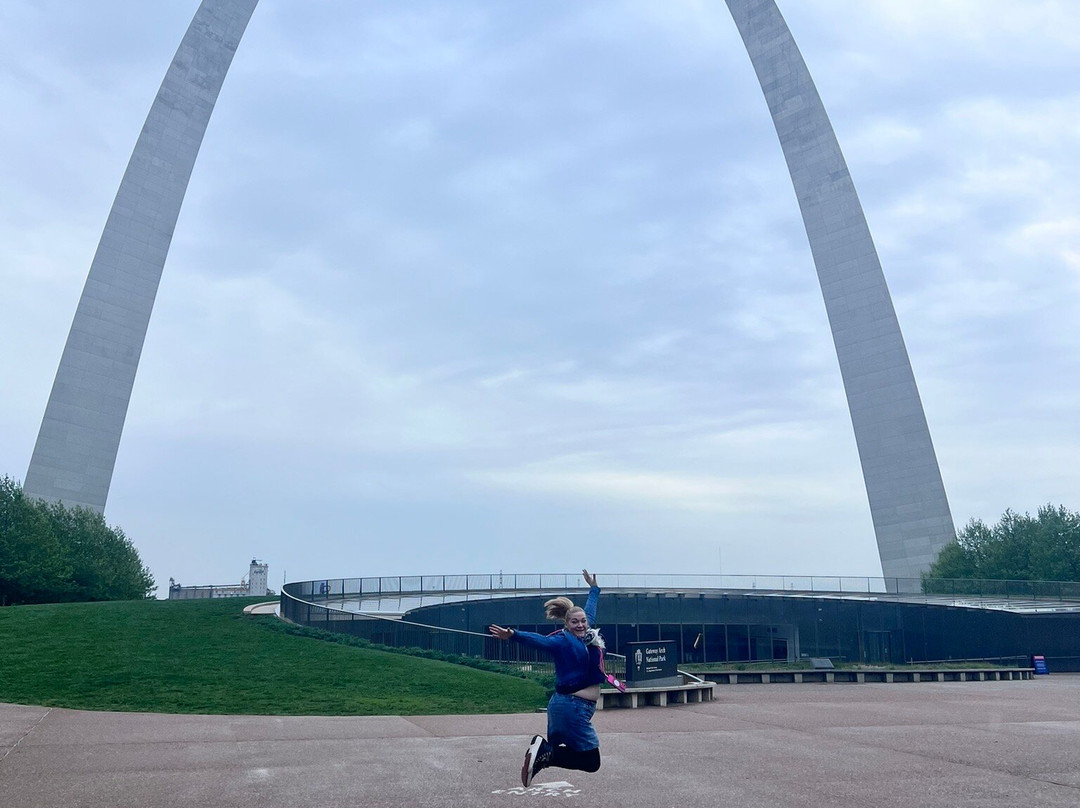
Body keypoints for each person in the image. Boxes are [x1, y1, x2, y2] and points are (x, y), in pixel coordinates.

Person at [488, 569, 611, 787]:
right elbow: (540, 641)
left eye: (583, 621)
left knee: (582, 756)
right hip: (572, 708)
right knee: (591, 761)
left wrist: (594, 589)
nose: (581, 625)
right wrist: (514, 635)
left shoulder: (586, 634)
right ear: (567, 624)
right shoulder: (562, 641)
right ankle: (545, 753)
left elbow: (590, 610)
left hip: (571, 707)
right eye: (575, 622)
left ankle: (545, 752)